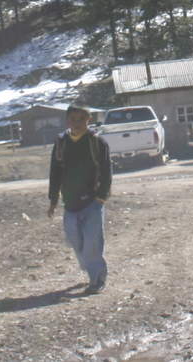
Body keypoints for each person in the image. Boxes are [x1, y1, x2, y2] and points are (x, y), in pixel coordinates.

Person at [47, 104, 113, 293]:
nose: (76, 124)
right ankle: (90, 268)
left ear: (88, 120)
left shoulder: (97, 142)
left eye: (81, 120)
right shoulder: (61, 143)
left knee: (92, 241)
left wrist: (101, 196)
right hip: (70, 203)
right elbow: (55, 173)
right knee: (75, 240)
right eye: (73, 120)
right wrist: (53, 200)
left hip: (92, 202)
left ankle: (97, 279)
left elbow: (107, 171)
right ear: (67, 121)